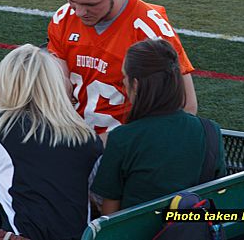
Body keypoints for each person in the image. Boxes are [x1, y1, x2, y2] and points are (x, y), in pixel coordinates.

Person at [47, 0, 197, 137]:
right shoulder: (64, 17)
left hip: (126, 147)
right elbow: (59, 85)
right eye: (71, 1)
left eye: (91, 5)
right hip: (74, 140)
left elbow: (186, 105)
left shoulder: (149, 31)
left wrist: (130, 143)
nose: (79, 12)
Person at [0, 44, 103, 240]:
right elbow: (95, 195)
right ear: (56, 86)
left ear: (5, 83)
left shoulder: (2, 126)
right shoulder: (87, 137)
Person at [91, 38, 225, 214]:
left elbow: (109, 214)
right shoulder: (210, 130)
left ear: (136, 85)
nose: (123, 83)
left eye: (124, 76)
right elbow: (219, 191)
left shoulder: (122, 138)